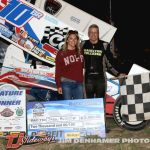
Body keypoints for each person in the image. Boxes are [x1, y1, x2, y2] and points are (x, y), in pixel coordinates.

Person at [82, 24, 125, 132]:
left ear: (98, 34)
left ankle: (102, 126)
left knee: (101, 104)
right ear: (88, 34)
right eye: (91, 32)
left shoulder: (104, 45)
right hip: (88, 79)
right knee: (89, 103)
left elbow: (110, 62)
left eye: (95, 32)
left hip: (100, 79)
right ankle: (90, 127)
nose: (93, 34)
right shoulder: (83, 44)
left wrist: (118, 73)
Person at [55, 30, 84, 100]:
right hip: (66, 83)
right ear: (67, 40)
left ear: (77, 40)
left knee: (79, 106)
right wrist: (58, 85)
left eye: (75, 39)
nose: (73, 40)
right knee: (68, 106)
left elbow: (83, 67)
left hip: (79, 84)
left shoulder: (80, 52)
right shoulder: (61, 53)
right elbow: (58, 71)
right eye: (71, 38)